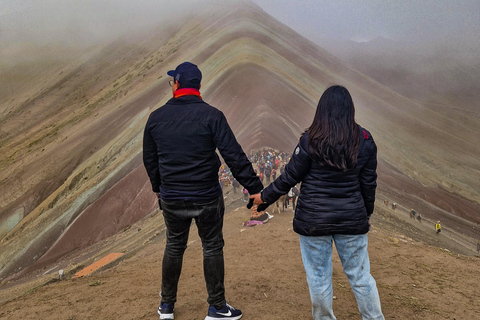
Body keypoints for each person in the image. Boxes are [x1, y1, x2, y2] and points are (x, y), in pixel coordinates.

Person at [250, 85, 384, 320]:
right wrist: (366, 214)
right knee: (361, 278)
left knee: (319, 277)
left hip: (313, 220)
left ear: (321, 109)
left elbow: (290, 176)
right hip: (351, 219)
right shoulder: (364, 140)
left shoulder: (310, 140)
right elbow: (368, 184)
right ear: (350, 109)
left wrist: (264, 197)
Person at [143, 62, 262, 320]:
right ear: (198, 86)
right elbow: (233, 155)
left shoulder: (156, 118)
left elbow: (150, 160)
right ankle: (217, 307)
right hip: (206, 195)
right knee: (211, 247)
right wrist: (255, 188)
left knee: (174, 246)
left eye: (172, 81)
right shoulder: (212, 116)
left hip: (172, 197)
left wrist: (159, 190)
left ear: (176, 84)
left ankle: (166, 306)